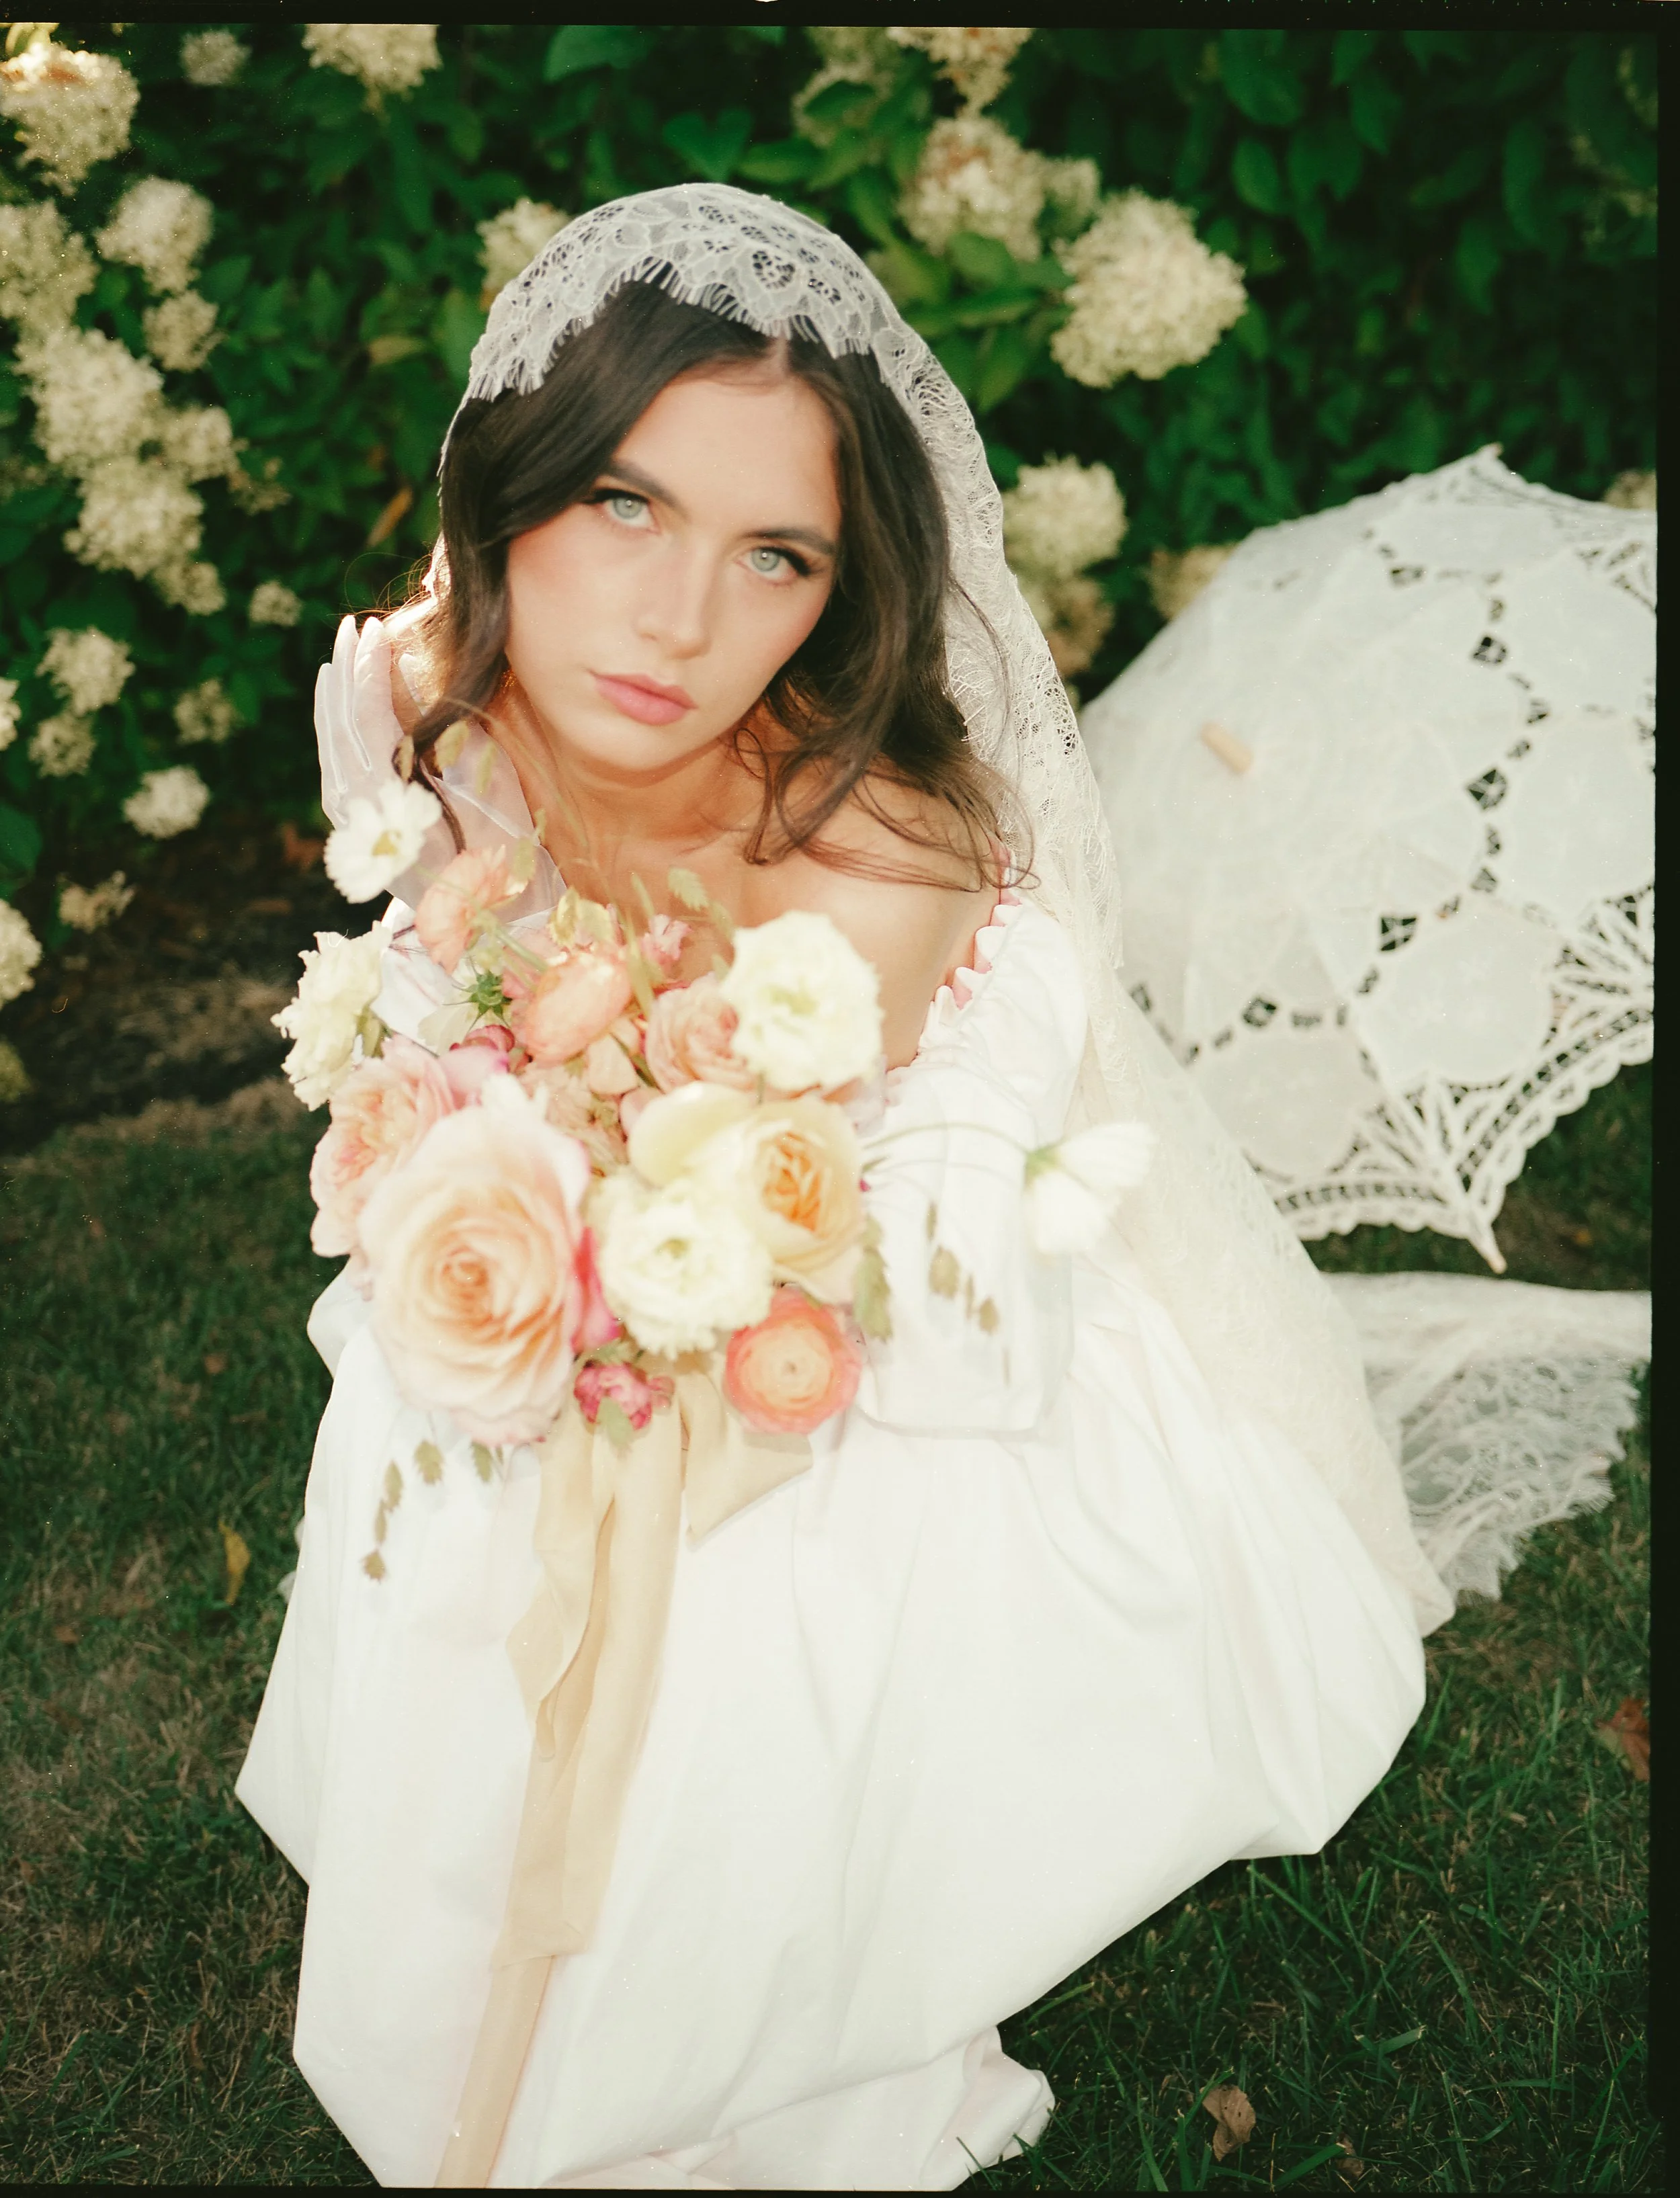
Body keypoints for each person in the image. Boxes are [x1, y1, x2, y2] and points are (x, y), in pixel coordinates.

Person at [237, 186, 1452, 2191]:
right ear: (512, 493)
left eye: (771, 554)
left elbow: (841, 1266)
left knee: (716, 1571)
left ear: (836, 588)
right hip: (617, 1207)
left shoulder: (877, 859)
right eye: (625, 506)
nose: (672, 619)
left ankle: (707, 1993)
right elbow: (446, 913)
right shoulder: (438, 680)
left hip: (881, 1289)